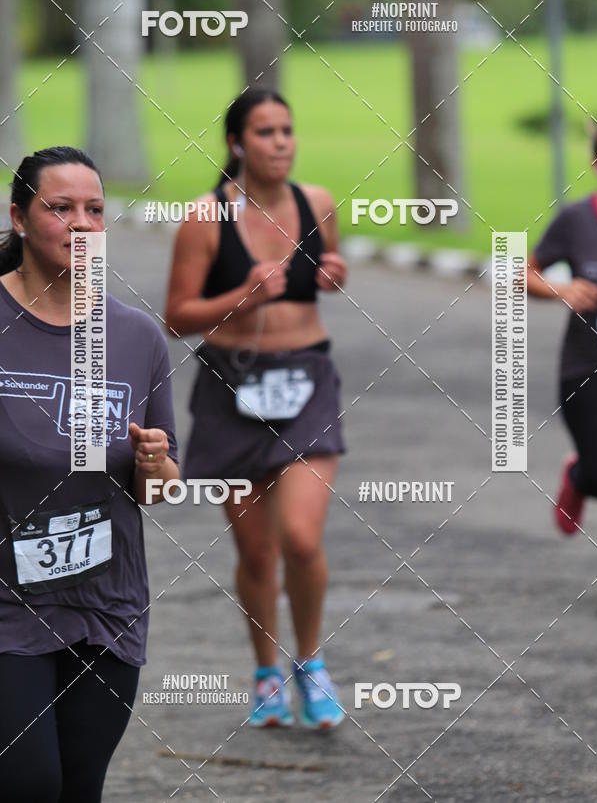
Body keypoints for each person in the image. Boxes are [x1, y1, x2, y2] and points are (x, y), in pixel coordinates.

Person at [0, 146, 179, 802]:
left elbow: (157, 489)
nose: (82, 224)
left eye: (95, 210)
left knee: (79, 787)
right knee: (29, 783)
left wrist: (156, 464)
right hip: (7, 606)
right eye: (61, 208)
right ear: (19, 218)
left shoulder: (134, 337)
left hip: (106, 604)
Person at [165, 89, 347, 728]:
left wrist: (332, 276)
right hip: (231, 388)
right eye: (266, 132)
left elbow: (327, 273)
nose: (281, 143)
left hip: (306, 381)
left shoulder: (316, 203)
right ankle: (267, 672)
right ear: (237, 144)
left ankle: (311, 663)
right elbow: (176, 317)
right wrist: (240, 296)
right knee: (256, 553)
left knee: (300, 538)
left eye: (287, 130)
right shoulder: (204, 218)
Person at [527, 128, 597, 534]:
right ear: (596, 165)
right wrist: (563, 288)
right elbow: (521, 274)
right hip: (585, 369)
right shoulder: (576, 221)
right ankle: (578, 477)